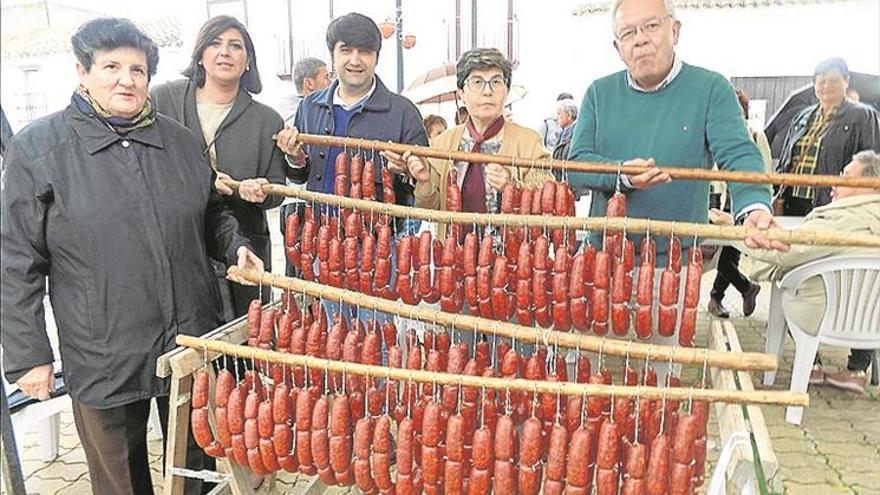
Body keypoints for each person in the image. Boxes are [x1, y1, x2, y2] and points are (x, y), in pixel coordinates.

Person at [0, 18, 262, 495]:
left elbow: (212, 212)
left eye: (138, 70)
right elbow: (16, 260)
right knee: (120, 476)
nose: (126, 79)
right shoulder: (40, 149)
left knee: (195, 466)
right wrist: (29, 356)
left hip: (188, 335)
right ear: (82, 71)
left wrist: (236, 245)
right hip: (103, 347)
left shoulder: (179, 142)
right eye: (111, 67)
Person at [569, 0, 787, 269]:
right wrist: (622, 174)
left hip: (674, 263)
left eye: (651, 26)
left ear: (674, 30)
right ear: (618, 48)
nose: (640, 40)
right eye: (628, 33)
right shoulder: (598, 94)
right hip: (604, 260)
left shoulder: (711, 88)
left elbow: (738, 153)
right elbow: (576, 165)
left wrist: (753, 206)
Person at [274, 12, 428, 323]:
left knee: (378, 337)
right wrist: (293, 157)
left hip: (381, 245)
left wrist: (406, 170)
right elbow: (300, 176)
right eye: (346, 50)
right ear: (333, 55)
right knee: (335, 335)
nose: (355, 60)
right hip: (324, 240)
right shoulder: (310, 106)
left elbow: (423, 180)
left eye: (365, 52)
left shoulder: (402, 112)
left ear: (376, 58)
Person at [150, 16, 286, 320]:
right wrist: (202, 184)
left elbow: (277, 189)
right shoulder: (164, 100)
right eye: (215, 43)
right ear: (200, 54)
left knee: (246, 339)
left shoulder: (266, 120)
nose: (225, 52)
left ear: (248, 61)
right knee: (186, 335)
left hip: (244, 242)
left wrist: (258, 191)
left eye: (235, 46)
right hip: (180, 242)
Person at [711, 151, 880, 393]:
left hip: (825, 316)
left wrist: (734, 229)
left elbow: (782, 252)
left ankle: (811, 364)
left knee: (788, 282)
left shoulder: (840, 220)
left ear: (872, 186)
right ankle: (857, 369)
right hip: (873, 320)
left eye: (846, 176)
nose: (834, 182)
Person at [386, 48, 552, 240]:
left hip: (509, 262)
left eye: (496, 82)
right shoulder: (442, 143)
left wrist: (512, 186)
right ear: (462, 94)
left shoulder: (530, 142)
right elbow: (430, 207)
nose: (487, 91)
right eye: (477, 82)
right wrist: (423, 180)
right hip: (453, 259)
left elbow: (546, 202)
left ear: (506, 92)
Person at [774, 57, 880, 215]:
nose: (827, 86)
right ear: (814, 85)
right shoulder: (802, 117)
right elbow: (786, 160)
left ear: (846, 80)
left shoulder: (863, 115)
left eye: (834, 81)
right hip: (793, 200)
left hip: (833, 201)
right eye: (821, 81)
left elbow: (871, 163)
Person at [707, 89, 771, 318]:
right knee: (717, 254)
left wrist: (758, 202)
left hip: (743, 202)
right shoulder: (711, 131)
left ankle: (717, 297)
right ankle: (745, 288)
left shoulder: (755, 135)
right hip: (719, 201)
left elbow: (765, 170)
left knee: (730, 255)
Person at [278, 57, 332, 276]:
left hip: (291, 203)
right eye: (326, 76)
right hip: (302, 203)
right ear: (310, 83)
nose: (330, 82)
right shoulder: (302, 111)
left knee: (299, 267)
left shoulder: (282, 107)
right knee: (305, 269)